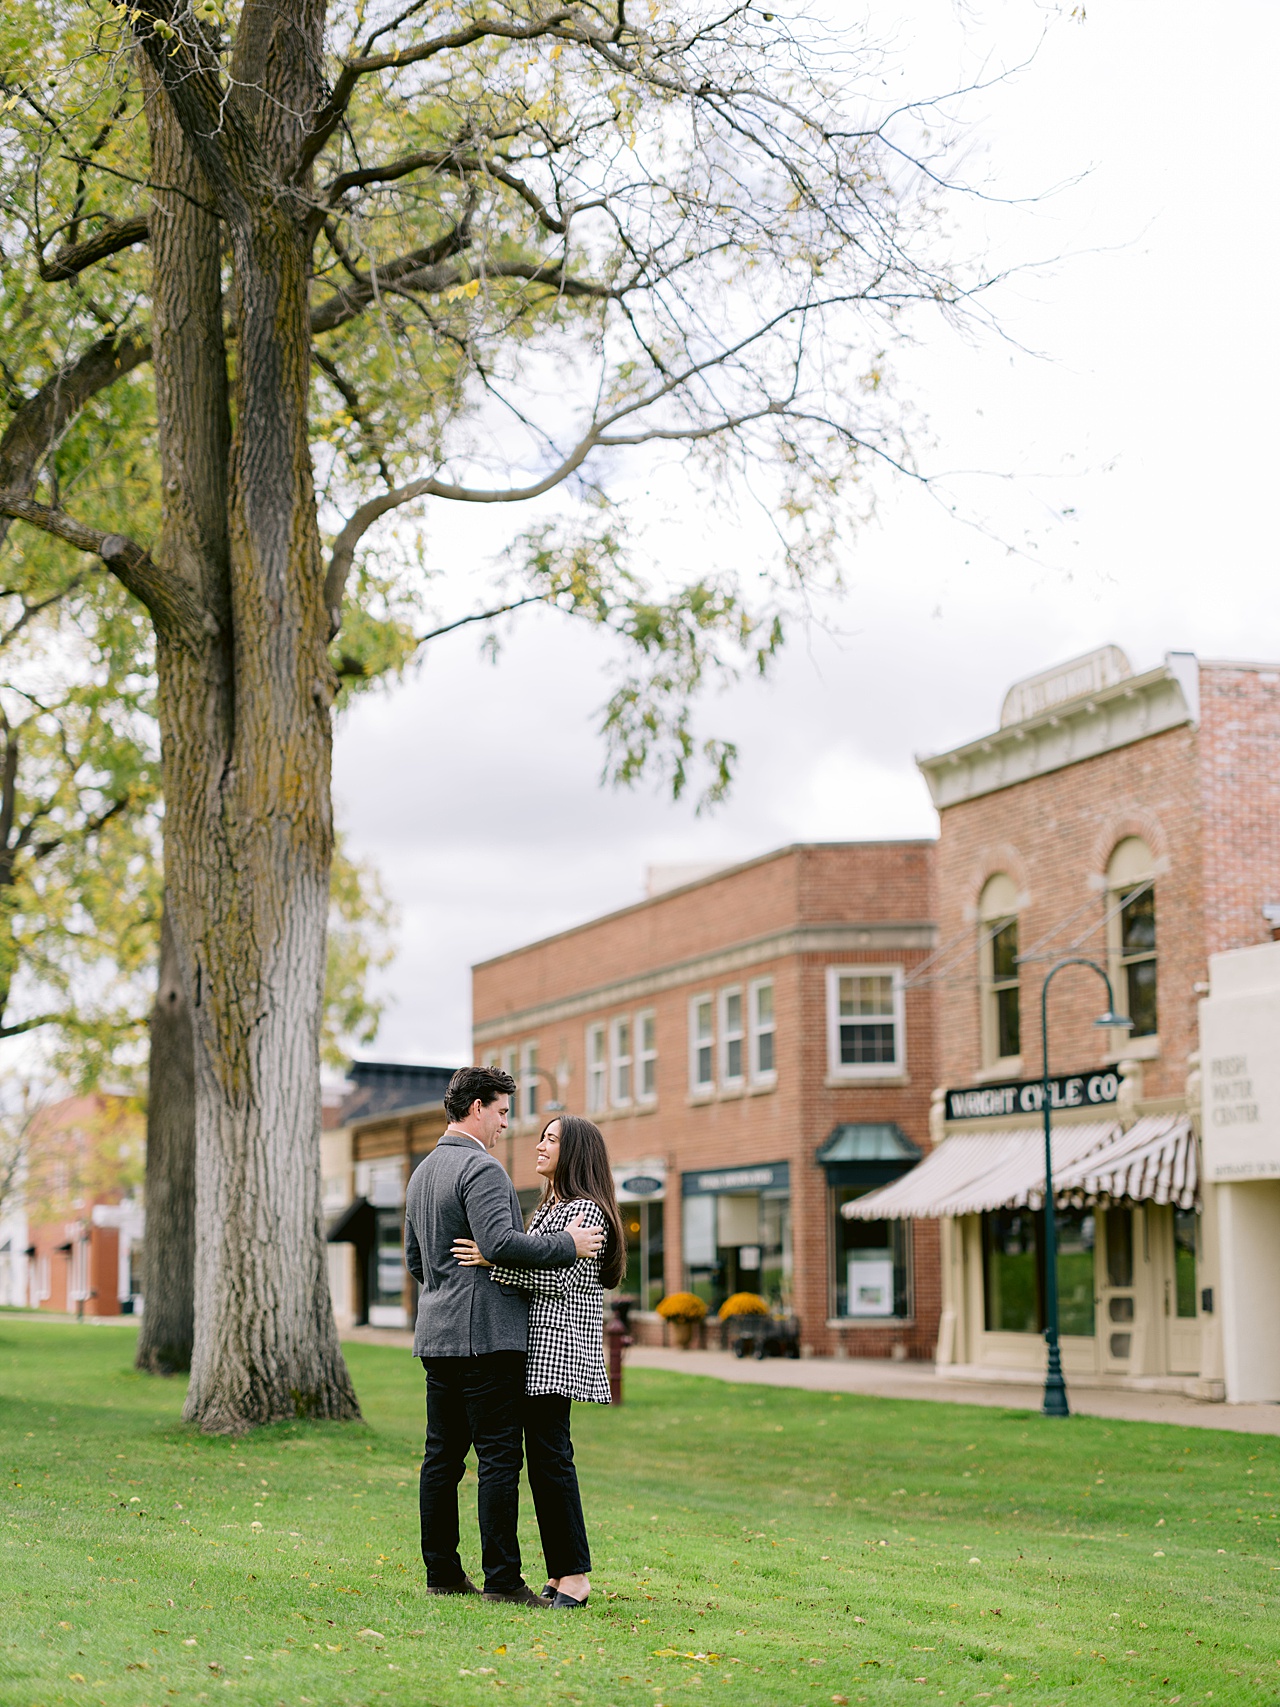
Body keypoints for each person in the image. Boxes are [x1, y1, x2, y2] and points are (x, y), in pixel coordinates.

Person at [405, 1066, 605, 1606]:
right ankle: (502, 1581)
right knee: (498, 1459)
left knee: (441, 1459)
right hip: (486, 1337)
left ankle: (442, 1573)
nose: (505, 1125)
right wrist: (568, 1244)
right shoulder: (482, 1169)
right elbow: (500, 1242)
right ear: (476, 1109)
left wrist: (448, 1292)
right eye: (501, 1112)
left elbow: (416, 1260)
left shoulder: (423, 1172)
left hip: (436, 1334)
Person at [452, 1115, 626, 1609]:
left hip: (558, 1350)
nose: (540, 1145)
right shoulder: (554, 1206)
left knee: (552, 1461)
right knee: (545, 1461)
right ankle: (558, 1573)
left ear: (576, 1152)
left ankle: (574, 1576)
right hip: (536, 1349)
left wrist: (493, 1259)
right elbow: (545, 1261)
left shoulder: (587, 1210)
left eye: (552, 1139)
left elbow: (558, 1280)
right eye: (542, 1136)